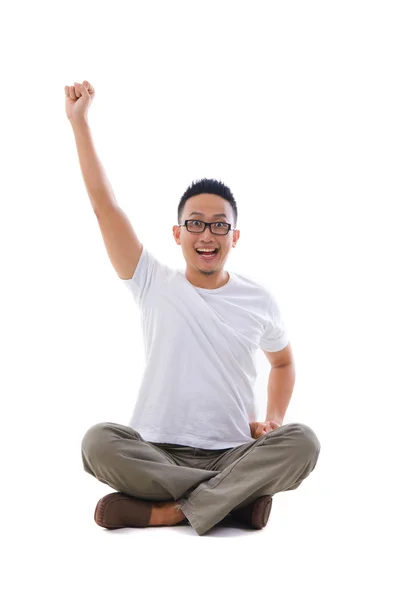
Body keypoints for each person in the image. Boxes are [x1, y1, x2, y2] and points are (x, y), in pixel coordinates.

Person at [65, 80, 321, 537]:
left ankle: (170, 510)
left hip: (234, 451)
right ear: (177, 233)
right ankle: (231, 502)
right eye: (196, 224)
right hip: (156, 450)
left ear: (234, 236)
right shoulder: (151, 281)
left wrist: (274, 420)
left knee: (303, 442)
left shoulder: (258, 298)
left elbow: (282, 362)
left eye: (219, 225)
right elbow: (105, 207)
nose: (207, 235)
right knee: (97, 443)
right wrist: (79, 123)